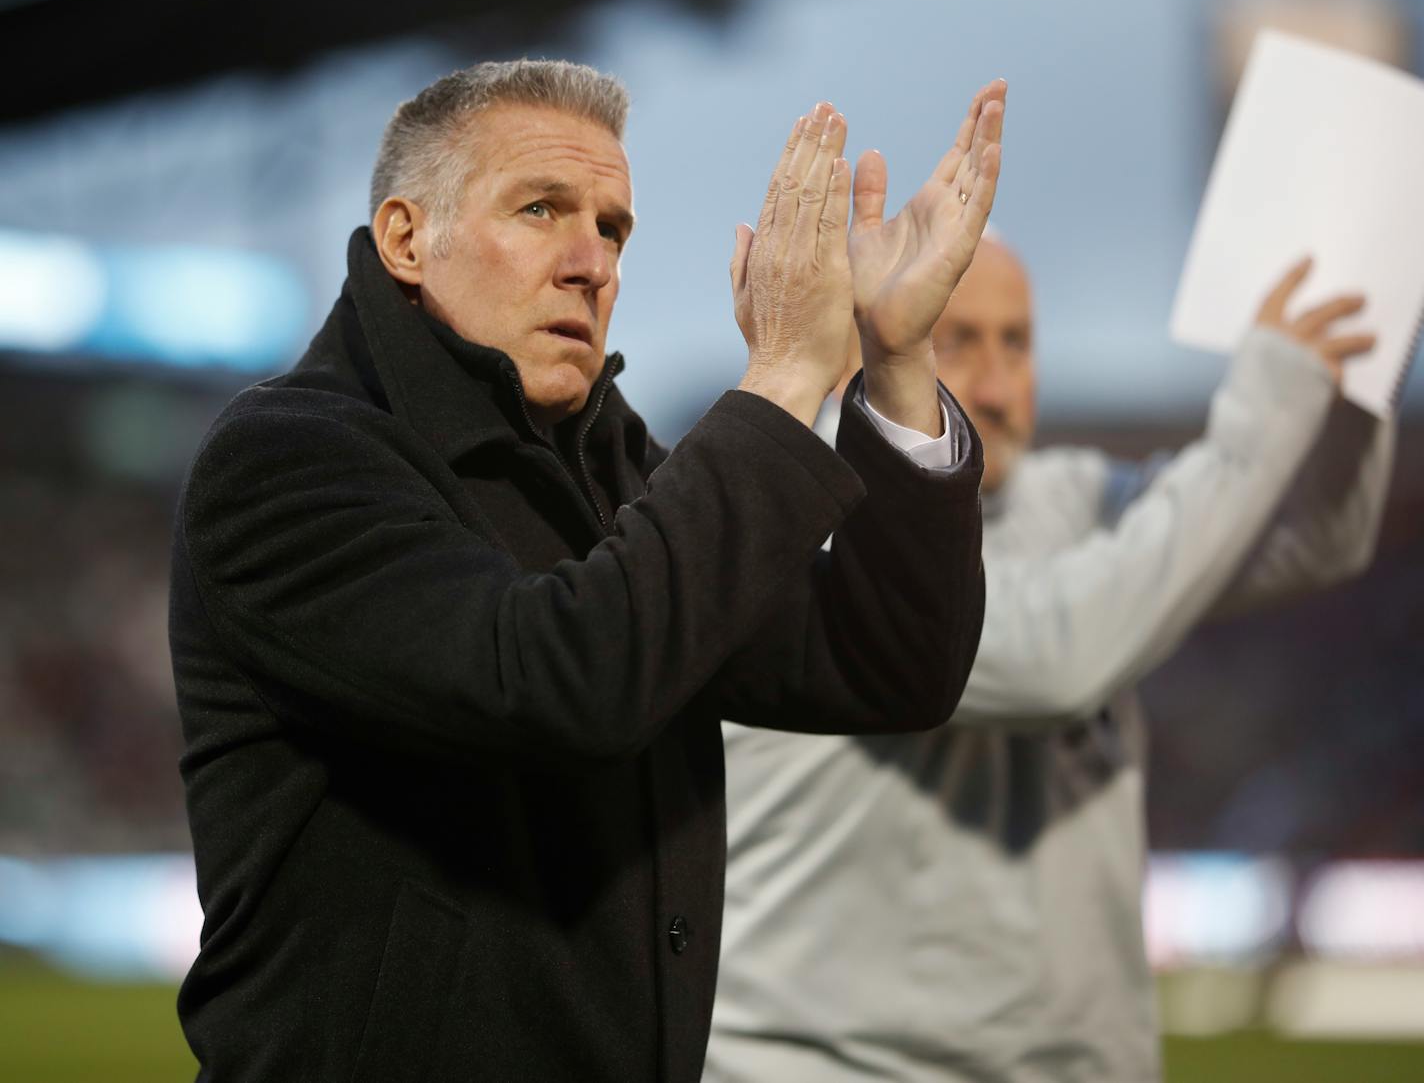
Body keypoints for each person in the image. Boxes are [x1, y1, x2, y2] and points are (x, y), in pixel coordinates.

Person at [168, 59, 1006, 1082]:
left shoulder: (608, 465)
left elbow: (889, 663)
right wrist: (785, 374)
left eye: (611, 228)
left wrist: (894, 359)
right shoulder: (289, 459)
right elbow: (559, 681)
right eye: (540, 209)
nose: (590, 262)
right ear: (405, 239)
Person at [707, 237, 1396, 1082]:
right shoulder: (806, 516)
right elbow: (1054, 662)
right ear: (874, 348)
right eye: (956, 340)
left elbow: (1308, 538)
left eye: (1018, 343)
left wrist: (1362, 369)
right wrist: (1266, 409)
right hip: (829, 1065)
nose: (996, 388)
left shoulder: (1075, 496)